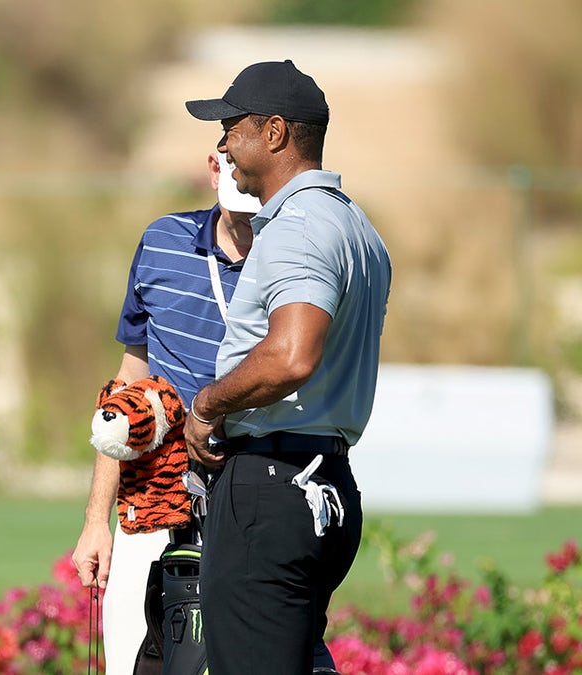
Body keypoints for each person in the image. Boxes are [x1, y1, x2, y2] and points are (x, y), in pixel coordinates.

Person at [181, 60, 392, 674]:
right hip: (323, 483)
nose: (222, 144)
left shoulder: (299, 225)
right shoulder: (357, 226)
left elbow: (292, 355)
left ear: (274, 133)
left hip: (274, 487)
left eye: (231, 127)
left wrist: (206, 406)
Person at [72, 150, 254, 675]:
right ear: (215, 171)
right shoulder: (162, 241)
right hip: (153, 500)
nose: (248, 220)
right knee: (136, 658)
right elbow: (128, 387)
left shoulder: (292, 258)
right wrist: (96, 522)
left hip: (253, 497)